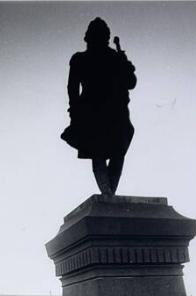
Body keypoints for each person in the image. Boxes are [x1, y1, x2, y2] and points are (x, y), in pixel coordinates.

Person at [61, 17, 137, 195]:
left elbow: (130, 83)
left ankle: (108, 195)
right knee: (101, 152)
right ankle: (108, 195)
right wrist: (74, 112)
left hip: (113, 114)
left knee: (112, 152)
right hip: (95, 113)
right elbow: (72, 88)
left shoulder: (115, 58)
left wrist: (127, 67)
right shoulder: (81, 59)